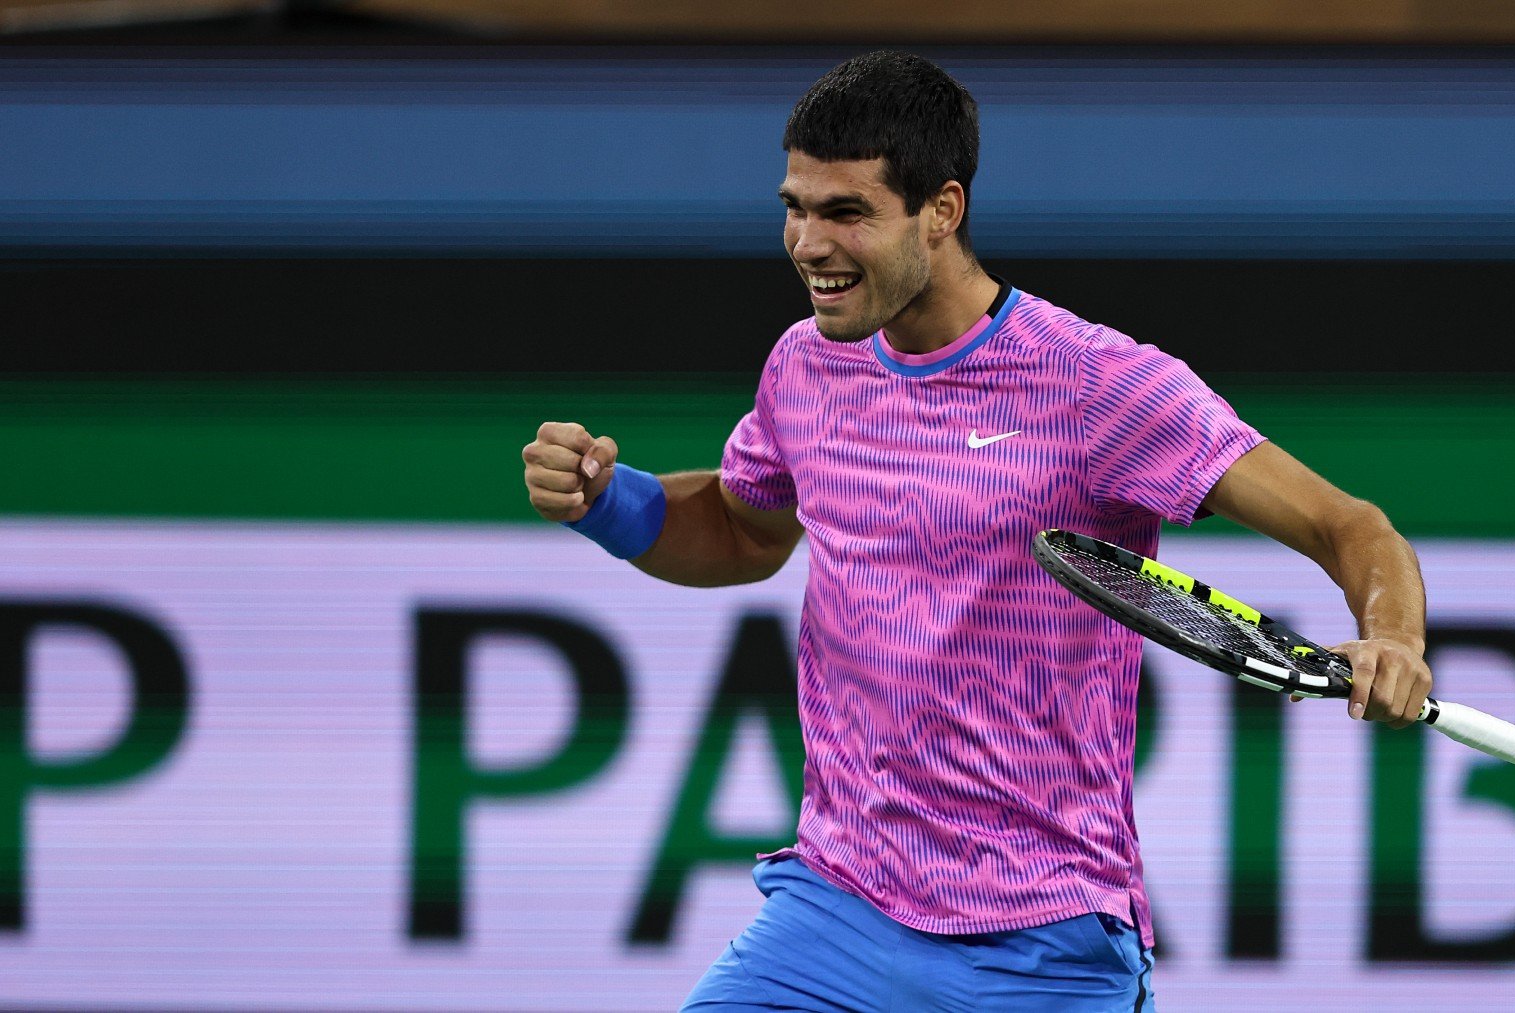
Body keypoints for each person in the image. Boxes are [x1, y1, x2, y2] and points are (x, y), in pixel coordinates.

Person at [522, 51, 1432, 1013]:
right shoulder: (805, 365)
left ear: (942, 211)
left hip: (1039, 939)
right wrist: (604, 500)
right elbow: (746, 533)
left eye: (847, 213)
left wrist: (1396, 637)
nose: (806, 242)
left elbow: (1349, 526)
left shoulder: (1095, 385)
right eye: (795, 205)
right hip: (837, 906)